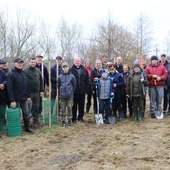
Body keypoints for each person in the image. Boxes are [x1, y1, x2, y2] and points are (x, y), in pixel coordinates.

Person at [7, 58, 34, 133]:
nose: (20, 64)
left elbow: (27, 85)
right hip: (16, 99)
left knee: (26, 113)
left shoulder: (24, 73)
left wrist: (28, 96)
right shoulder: (11, 74)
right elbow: (10, 88)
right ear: (14, 64)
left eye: (21, 63)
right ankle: (17, 129)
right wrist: (12, 100)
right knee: (17, 115)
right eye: (18, 63)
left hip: (24, 98)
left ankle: (27, 128)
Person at [24, 58, 44, 126]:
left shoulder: (38, 71)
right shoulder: (26, 71)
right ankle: (27, 122)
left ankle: (36, 121)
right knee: (27, 107)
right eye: (32, 62)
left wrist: (42, 90)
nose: (33, 63)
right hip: (29, 93)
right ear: (29, 63)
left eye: (34, 62)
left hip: (37, 92)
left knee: (36, 107)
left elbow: (41, 81)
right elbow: (24, 82)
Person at [69, 56, 88, 122]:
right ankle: (74, 118)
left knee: (81, 105)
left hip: (82, 91)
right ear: (74, 62)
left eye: (78, 61)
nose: (77, 62)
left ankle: (80, 118)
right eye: (76, 61)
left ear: (80, 62)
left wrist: (86, 90)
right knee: (74, 105)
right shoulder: (70, 70)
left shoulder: (84, 70)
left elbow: (87, 81)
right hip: (74, 91)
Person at [58, 62, 76, 127]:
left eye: (66, 67)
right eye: (64, 67)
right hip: (62, 96)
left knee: (69, 108)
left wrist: (71, 92)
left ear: (68, 67)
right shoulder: (59, 77)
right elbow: (58, 85)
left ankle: (69, 120)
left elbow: (74, 85)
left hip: (70, 96)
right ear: (62, 68)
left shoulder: (72, 76)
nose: (65, 68)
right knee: (62, 109)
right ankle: (63, 121)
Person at [0, 58, 8, 131]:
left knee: (2, 111)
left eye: (5, 63)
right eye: (3, 63)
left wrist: (3, 84)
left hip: (4, 95)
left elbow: (6, 80)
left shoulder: (6, 72)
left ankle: (3, 125)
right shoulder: (1, 71)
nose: (5, 64)